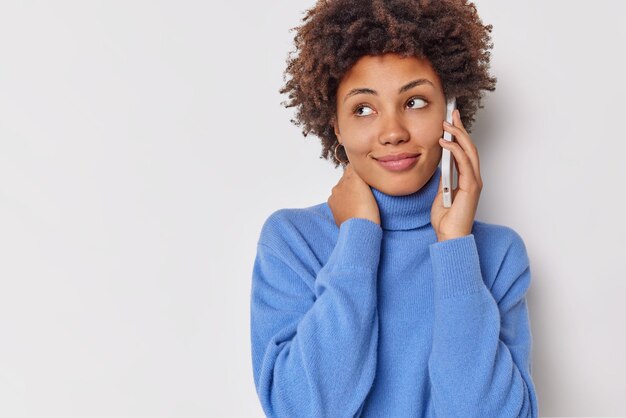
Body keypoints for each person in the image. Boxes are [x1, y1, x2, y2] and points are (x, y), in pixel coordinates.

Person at [250, 0, 538, 416]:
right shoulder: (293, 241)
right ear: (336, 124)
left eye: (415, 102)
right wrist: (358, 239)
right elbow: (302, 409)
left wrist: (455, 245)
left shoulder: (496, 254)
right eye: (363, 108)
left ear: (451, 112)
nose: (392, 132)